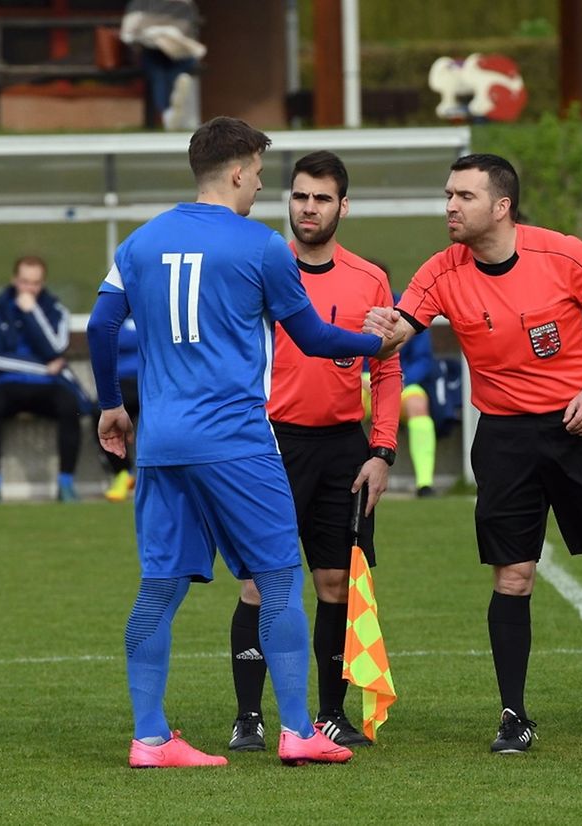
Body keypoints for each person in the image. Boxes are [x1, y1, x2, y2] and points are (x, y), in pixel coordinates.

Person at [363, 153, 582, 753]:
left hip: (577, 427)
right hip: (505, 438)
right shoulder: (441, 270)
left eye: (464, 196)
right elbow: (399, 331)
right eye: (448, 195)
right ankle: (513, 714)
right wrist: (377, 327)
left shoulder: (562, 254)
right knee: (513, 575)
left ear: (501, 206)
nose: (450, 206)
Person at [86, 116, 385, 769]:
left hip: (161, 441)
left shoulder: (137, 244)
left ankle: (150, 737)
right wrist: (376, 342)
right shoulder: (260, 246)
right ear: (240, 171)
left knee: (158, 587)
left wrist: (112, 404)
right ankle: (299, 729)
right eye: (259, 175)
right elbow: (312, 338)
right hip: (235, 439)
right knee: (279, 579)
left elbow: (101, 324)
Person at [227, 150, 400, 752]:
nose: (309, 208)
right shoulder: (258, 265)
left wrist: (382, 451)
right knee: (258, 581)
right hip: (268, 444)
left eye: (322, 198)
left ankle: (328, 714)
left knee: (334, 582)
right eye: (300, 196)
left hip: (342, 450)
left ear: (342, 207)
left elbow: (387, 368)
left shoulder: (369, 278)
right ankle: (248, 717)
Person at [0, 256, 88, 503]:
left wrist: (32, 313)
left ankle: (66, 483)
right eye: (24, 282)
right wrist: (43, 369)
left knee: (70, 407)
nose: (29, 288)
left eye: (35, 283)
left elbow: (56, 347)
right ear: (15, 280)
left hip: (47, 388)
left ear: (43, 283)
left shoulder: (56, 311)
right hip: (6, 383)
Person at [120, 0, 205, 130]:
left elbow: (130, 31)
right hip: (161, 51)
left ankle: (165, 111)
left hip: (170, 51)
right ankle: (171, 103)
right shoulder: (185, 4)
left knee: (159, 75)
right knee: (170, 72)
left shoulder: (141, 3)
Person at [396, 292, 439, 497]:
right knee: (336, 403)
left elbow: (423, 358)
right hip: (359, 384)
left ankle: (424, 483)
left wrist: (401, 380)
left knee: (418, 405)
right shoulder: (352, 304)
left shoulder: (407, 309)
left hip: (400, 381)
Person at [102, 317, 140, 502]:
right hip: (121, 382)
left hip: (152, 379)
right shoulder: (115, 310)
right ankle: (123, 474)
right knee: (102, 415)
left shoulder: (154, 304)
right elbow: (102, 334)